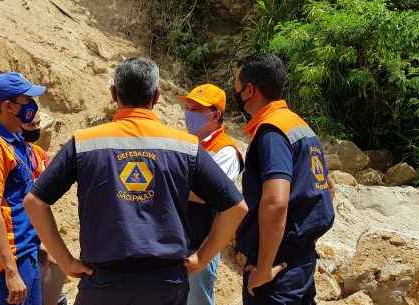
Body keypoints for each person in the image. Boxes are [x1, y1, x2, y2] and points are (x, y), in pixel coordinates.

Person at [23, 57, 250, 305]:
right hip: (165, 284)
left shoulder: (85, 142)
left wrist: (65, 260)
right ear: (156, 96)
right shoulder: (185, 147)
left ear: (113, 93)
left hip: (103, 282)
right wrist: (202, 259)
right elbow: (236, 208)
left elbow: (35, 202)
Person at [233, 54, 335, 305]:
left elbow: (276, 202)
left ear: (249, 90)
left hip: (277, 270)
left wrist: (264, 268)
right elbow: (328, 188)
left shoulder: (271, 132)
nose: (234, 92)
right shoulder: (299, 126)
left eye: (236, 86)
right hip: (301, 260)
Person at [0, 72, 47, 305]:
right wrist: (11, 272)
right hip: (11, 260)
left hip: (28, 252)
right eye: (27, 100)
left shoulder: (17, 142)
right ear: (8, 106)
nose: (33, 105)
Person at [179, 84, 244, 305]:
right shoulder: (189, 143)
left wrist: (169, 185)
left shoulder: (226, 151)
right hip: (180, 238)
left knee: (197, 300)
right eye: (187, 107)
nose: (189, 113)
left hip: (202, 244)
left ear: (216, 114)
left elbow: (208, 194)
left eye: (196, 109)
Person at [22, 114, 69, 305]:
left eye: (39, 124)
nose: (37, 129)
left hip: (37, 234)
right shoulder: (10, 155)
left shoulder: (39, 156)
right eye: (31, 124)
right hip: (22, 239)